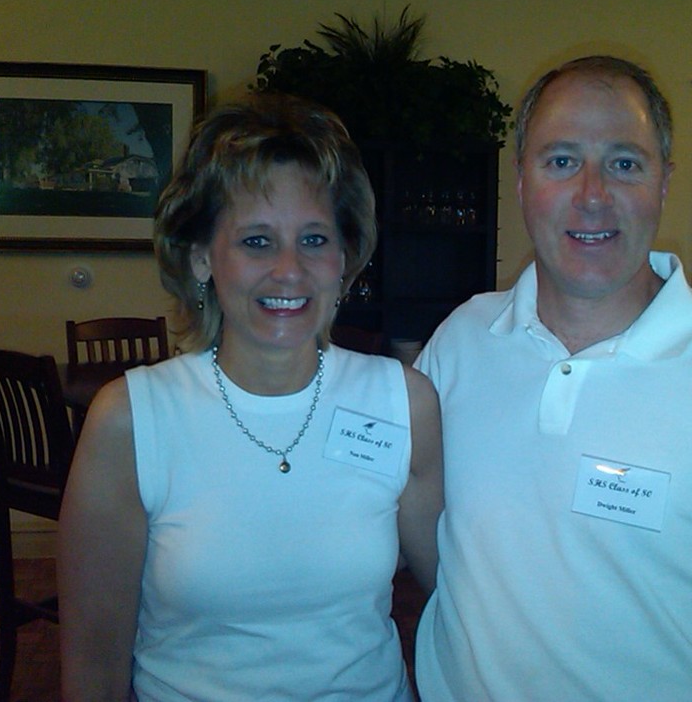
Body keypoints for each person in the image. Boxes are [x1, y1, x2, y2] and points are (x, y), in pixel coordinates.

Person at [413, 56, 692, 701]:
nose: (593, 194)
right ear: (521, 179)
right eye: (561, 160)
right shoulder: (461, 341)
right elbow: (437, 546)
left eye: (624, 163)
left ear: (664, 182)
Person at [58, 94, 443, 701]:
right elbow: (92, 669)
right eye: (257, 241)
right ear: (201, 258)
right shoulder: (130, 420)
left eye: (314, 239)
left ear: (344, 259)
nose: (289, 270)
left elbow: (463, 593)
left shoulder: (403, 403)